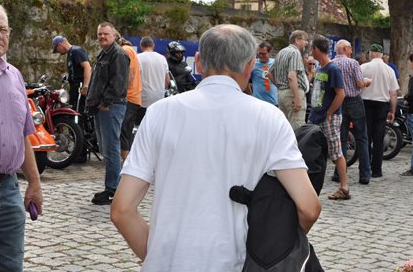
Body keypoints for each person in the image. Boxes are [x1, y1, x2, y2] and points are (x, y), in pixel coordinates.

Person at [111, 24, 320, 271]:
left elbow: (122, 210)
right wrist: (273, 249)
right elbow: (309, 208)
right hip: (237, 263)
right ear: (250, 65)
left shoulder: (159, 113)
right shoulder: (269, 118)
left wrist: (157, 256)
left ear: (199, 62)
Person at [0, 1, 44, 270]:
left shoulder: (14, 76)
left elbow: (23, 133)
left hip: (8, 192)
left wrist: (34, 182)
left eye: (3, 29)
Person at [85, 22, 129, 205]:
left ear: (114, 35)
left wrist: (105, 102)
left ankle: (113, 190)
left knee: (111, 149)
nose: (102, 36)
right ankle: (112, 187)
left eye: (106, 34)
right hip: (102, 107)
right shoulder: (104, 53)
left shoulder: (118, 54)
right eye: (100, 34)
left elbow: (118, 82)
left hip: (111, 107)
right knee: (106, 149)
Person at [308, 36, 349, 199]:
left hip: (328, 117)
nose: (311, 52)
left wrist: (330, 113)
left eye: (312, 49)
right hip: (316, 116)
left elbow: (341, 94)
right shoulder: (320, 68)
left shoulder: (333, 69)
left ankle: (344, 187)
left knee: (336, 152)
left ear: (316, 49)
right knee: (315, 151)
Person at [332, 39, 372, 184]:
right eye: (349, 48)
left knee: (341, 139)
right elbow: (360, 83)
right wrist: (367, 81)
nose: (351, 51)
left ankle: (339, 174)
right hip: (354, 101)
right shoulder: (353, 63)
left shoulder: (331, 64)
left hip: (338, 102)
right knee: (362, 138)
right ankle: (365, 174)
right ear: (345, 49)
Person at [361, 44, 399, 178]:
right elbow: (393, 93)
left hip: (365, 103)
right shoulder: (389, 70)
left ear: (371, 54)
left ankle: (365, 167)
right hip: (382, 105)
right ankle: (377, 169)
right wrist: (392, 110)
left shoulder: (363, 67)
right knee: (378, 138)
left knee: (365, 136)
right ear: (382, 55)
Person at [270, 30, 309, 129]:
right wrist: (297, 97)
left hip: (281, 94)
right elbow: (291, 76)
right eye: (305, 40)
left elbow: (269, 73)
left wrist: (281, 87)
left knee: (284, 128)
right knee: (297, 128)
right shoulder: (295, 52)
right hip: (293, 93)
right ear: (297, 40)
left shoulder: (281, 52)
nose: (307, 43)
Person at [52, 35, 92, 111]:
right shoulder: (70, 54)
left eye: (57, 49)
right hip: (74, 88)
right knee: (73, 109)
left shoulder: (76, 51)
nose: (58, 52)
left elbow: (87, 67)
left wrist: (85, 86)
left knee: (79, 111)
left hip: (80, 87)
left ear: (60, 44)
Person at [118, 37, 142, 163]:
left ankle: (127, 162)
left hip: (129, 97)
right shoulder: (130, 50)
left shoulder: (125, 50)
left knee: (123, 130)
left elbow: (130, 74)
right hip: (134, 97)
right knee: (127, 131)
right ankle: (128, 161)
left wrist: (120, 92)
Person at [137, 36, 170, 121]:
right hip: (159, 98)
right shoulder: (162, 58)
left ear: (141, 46)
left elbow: (135, 79)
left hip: (143, 99)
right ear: (153, 45)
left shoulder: (138, 58)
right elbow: (167, 81)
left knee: (141, 125)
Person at [249, 41, 278, 106]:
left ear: (270, 53)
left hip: (274, 102)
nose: (261, 56)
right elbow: (246, 81)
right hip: (258, 102)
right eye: (260, 54)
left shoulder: (275, 63)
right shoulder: (253, 64)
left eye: (264, 54)